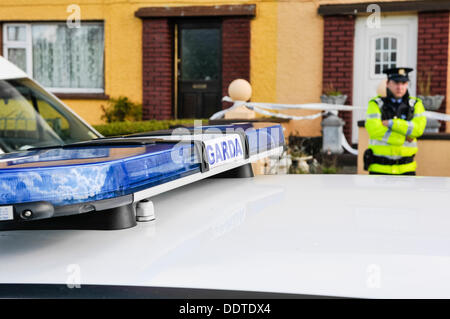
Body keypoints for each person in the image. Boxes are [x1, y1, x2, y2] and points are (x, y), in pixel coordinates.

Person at [364, 67, 427, 175]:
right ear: (388, 83)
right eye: (396, 83)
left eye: (403, 83)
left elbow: (418, 130)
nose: (400, 87)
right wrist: (405, 135)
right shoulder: (375, 104)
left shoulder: (416, 104)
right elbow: (375, 131)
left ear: (407, 84)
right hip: (379, 170)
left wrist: (391, 124)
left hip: (406, 170)